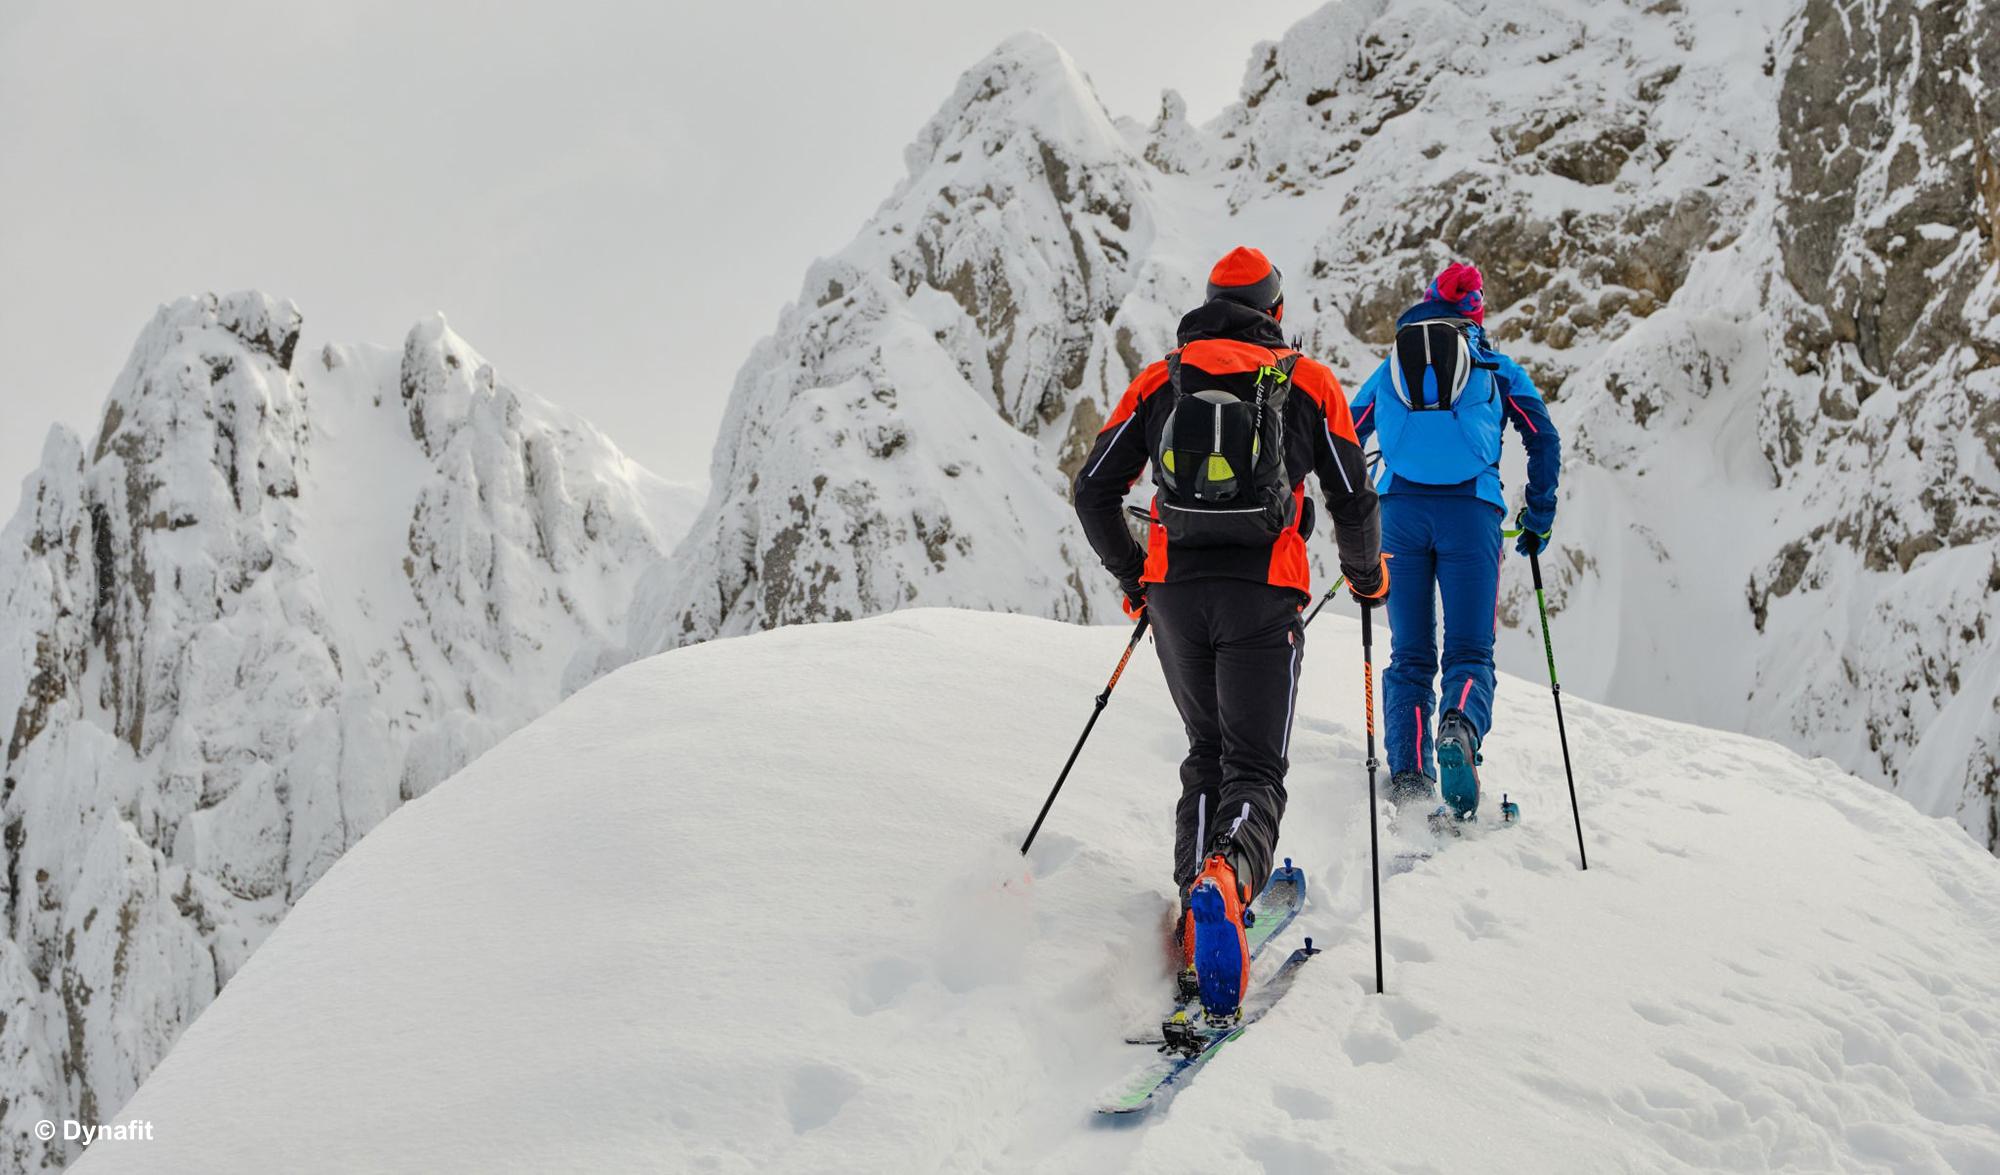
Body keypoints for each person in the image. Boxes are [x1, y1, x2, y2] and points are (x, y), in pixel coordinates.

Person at [1073, 246, 1387, 1018]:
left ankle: (1195, 909)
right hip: (1264, 595)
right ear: (1276, 312)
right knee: (1255, 767)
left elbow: (1092, 490)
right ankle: (1228, 880)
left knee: (1206, 753)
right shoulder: (1305, 381)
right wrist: (1365, 574)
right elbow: (1354, 496)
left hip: (1176, 591)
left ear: (1211, 303)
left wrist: (1134, 577)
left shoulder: (1164, 377)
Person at [1348, 262, 1561, 824]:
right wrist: (1538, 514)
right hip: (1472, 512)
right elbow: (1543, 436)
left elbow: (1346, 432)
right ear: (1476, 314)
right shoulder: (1494, 366)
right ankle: (1458, 727)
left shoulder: (1393, 365)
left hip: (1399, 515)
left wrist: (1356, 513)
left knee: (1411, 653)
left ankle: (1413, 776)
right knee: (1470, 651)